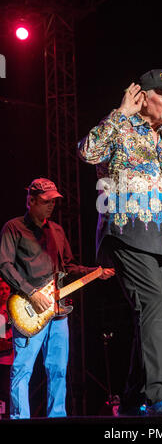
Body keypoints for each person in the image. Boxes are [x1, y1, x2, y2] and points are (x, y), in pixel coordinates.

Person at [78, 68, 162, 416]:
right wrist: (119, 114)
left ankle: (133, 399)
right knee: (155, 303)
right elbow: (87, 152)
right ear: (144, 96)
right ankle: (160, 395)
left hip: (160, 237)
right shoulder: (122, 127)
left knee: (147, 311)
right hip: (126, 231)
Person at [0, 177, 114, 419]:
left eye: (54, 201)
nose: (51, 206)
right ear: (30, 201)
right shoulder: (13, 227)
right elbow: (4, 265)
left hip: (58, 311)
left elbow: (69, 266)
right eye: (45, 201)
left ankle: (57, 418)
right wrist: (31, 293)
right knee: (22, 369)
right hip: (28, 307)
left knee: (58, 369)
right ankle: (20, 419)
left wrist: (95, 272)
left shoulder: (58, 231)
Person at [0, 277, 13, 418]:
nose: (3, 292)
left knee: (6, 391)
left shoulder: (12, 309)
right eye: (1, 289)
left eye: (6, 289)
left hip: (8, 360)